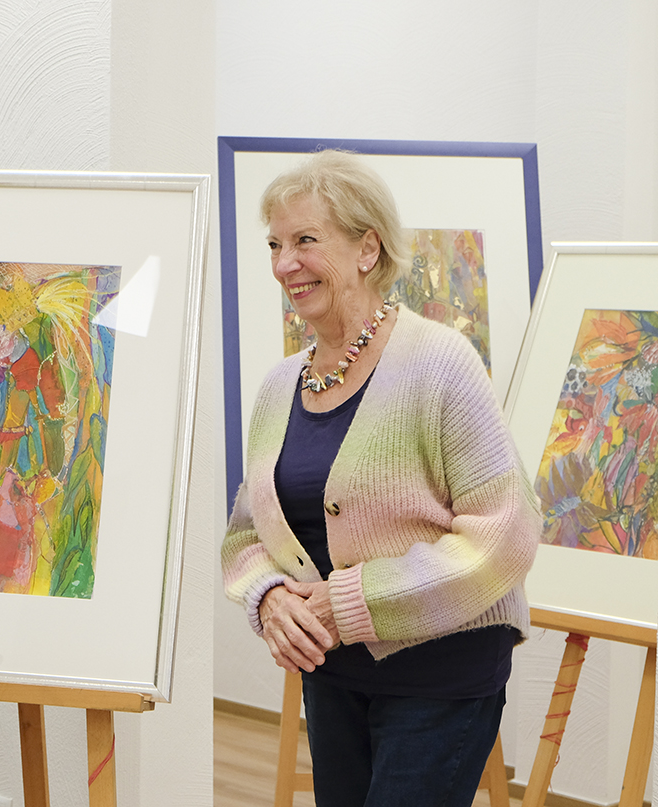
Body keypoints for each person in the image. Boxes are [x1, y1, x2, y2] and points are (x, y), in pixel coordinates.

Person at [220, 150, 539, 807]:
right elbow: (244, 537)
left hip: (441, 673)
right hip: (331, 675)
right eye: (275, 244)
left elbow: (505, 534)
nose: (284, 264)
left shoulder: (440, 361)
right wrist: (271, 598)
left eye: (305, 240)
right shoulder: (280, 387)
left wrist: (350, 602)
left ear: (368, 249)